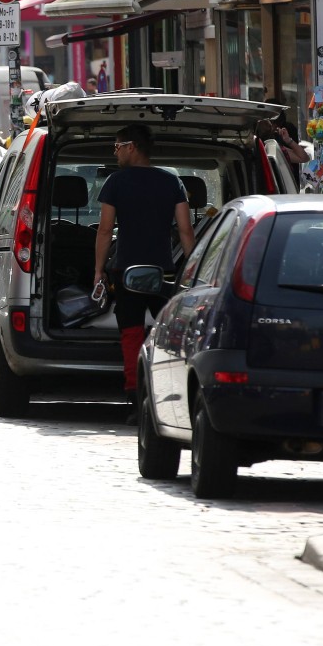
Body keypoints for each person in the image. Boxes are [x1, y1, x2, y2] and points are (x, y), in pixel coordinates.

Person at [92, 124, 194, 424]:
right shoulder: (171, 182)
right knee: (168, 337)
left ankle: (135, 402)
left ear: (131, 147)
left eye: (117, 146)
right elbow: (185, 230)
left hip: (127, 273)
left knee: (131, 335)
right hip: (164, 274)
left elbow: (105, 229)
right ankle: (171, 399)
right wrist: (194, 272)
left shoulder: (115, 182)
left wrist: (98, 270)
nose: (115, 152)